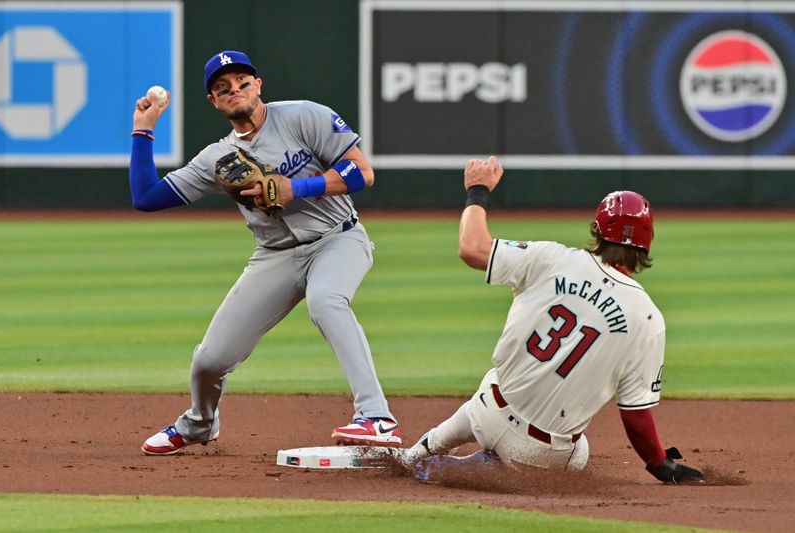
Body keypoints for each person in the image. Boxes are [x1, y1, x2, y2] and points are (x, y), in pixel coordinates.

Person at [130, 50, 401, 455]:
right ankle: (200, 423)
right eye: (222, 87)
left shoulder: (304, 116)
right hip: (274, 256)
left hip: (338, 238)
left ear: (259, 85)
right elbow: (146, 197)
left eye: (242, 81)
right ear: (214, 101)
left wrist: (298, 187)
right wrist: (143, 130)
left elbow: (362, 172)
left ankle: (376, 416)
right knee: (209, 360)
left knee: (326, 300)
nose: (234, 90)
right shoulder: (215, 158)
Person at [402, 156, 703, 484]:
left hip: (488, 410)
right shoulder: (648, 317)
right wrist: (660, 464)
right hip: (538, 454)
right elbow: (635, 414)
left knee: (492, 385)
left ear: (598, 229)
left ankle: (421, 451)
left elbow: (471, 248)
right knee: (579, 451)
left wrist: (477, 190)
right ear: (647, 243)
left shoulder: (552, 258)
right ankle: (473, 466)